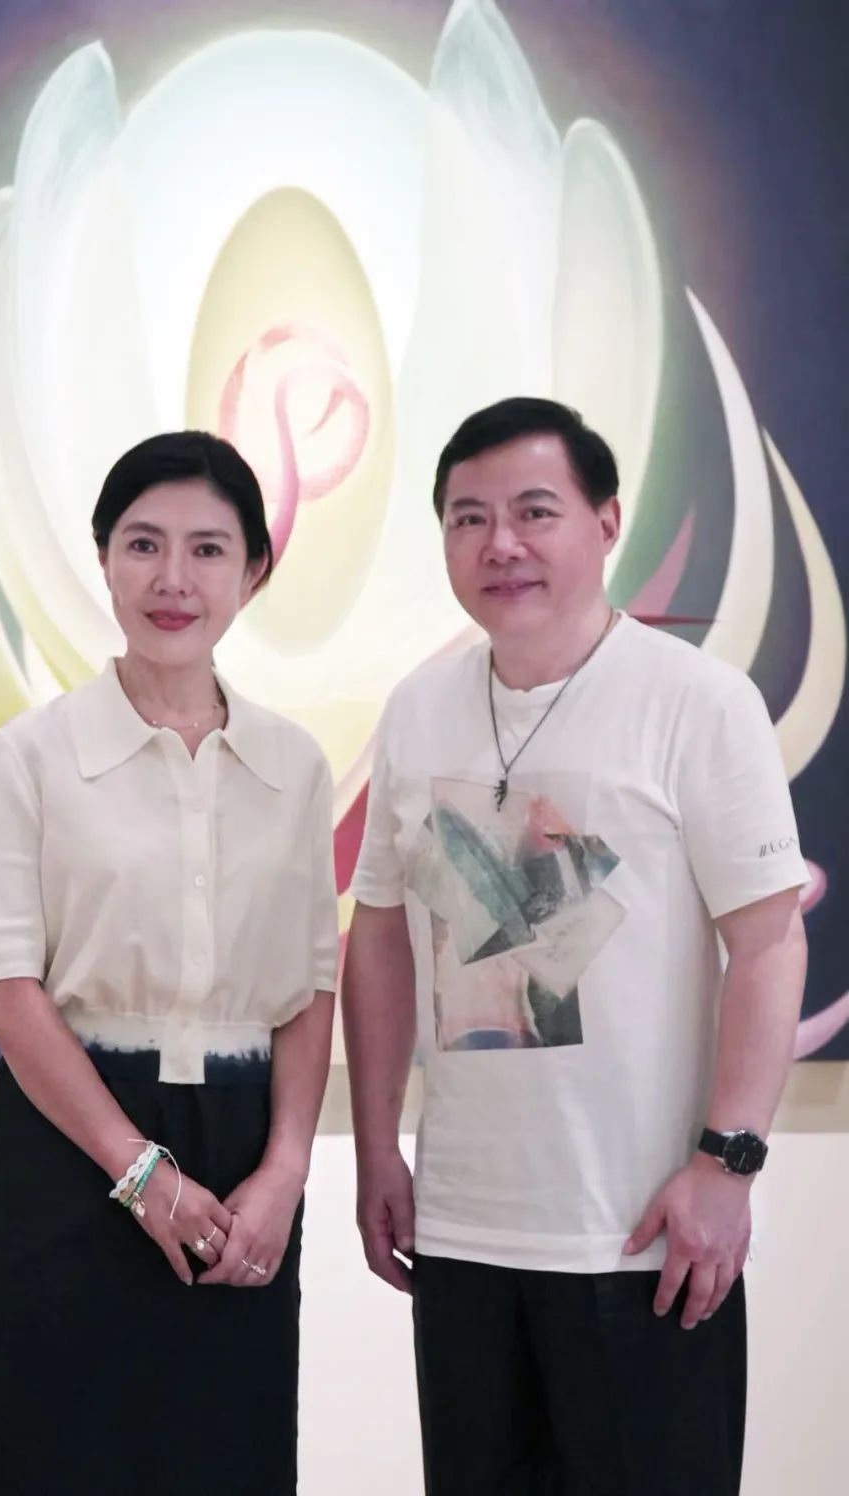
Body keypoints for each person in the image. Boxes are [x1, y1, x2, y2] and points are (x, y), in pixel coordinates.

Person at [343, 397, 808, 1495]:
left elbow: (769, 940)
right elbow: (379, 934)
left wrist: (727, 1165)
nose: (499, 543)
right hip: (463, 1232)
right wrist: (374, 1148)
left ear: (605, 522)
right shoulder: (418, 710)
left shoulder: (698, 702)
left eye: (534, 511)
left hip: (644, 1235)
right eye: (468, 518)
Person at [0, 431, 337, 1495]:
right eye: (143, 544)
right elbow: (6, 987)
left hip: (242, 1152)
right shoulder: (34, 753)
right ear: (104, 559)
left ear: (254, 571)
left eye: (209, 549)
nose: (174, 578)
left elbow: (309, 988)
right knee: (54, 1451)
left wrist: (286, 1170)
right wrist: (137, 1170)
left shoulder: (294, 764)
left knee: (226, 1450)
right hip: (72, 1142)